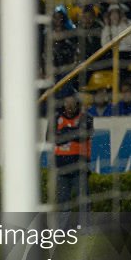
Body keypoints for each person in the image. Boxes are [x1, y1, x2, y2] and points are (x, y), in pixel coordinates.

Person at [52, 93, 93, 229]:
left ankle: (85, 228)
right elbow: (52, 139)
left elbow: (82, 135)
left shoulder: (86, 118)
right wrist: (72, 133)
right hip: (61, 168)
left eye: (72, 103)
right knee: (62, 202)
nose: (69, 106)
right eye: (66, 103)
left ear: (77, 104)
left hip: (79, 167)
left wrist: (63, 132)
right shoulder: (56, 118)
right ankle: (62, 231)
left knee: (83, 200)